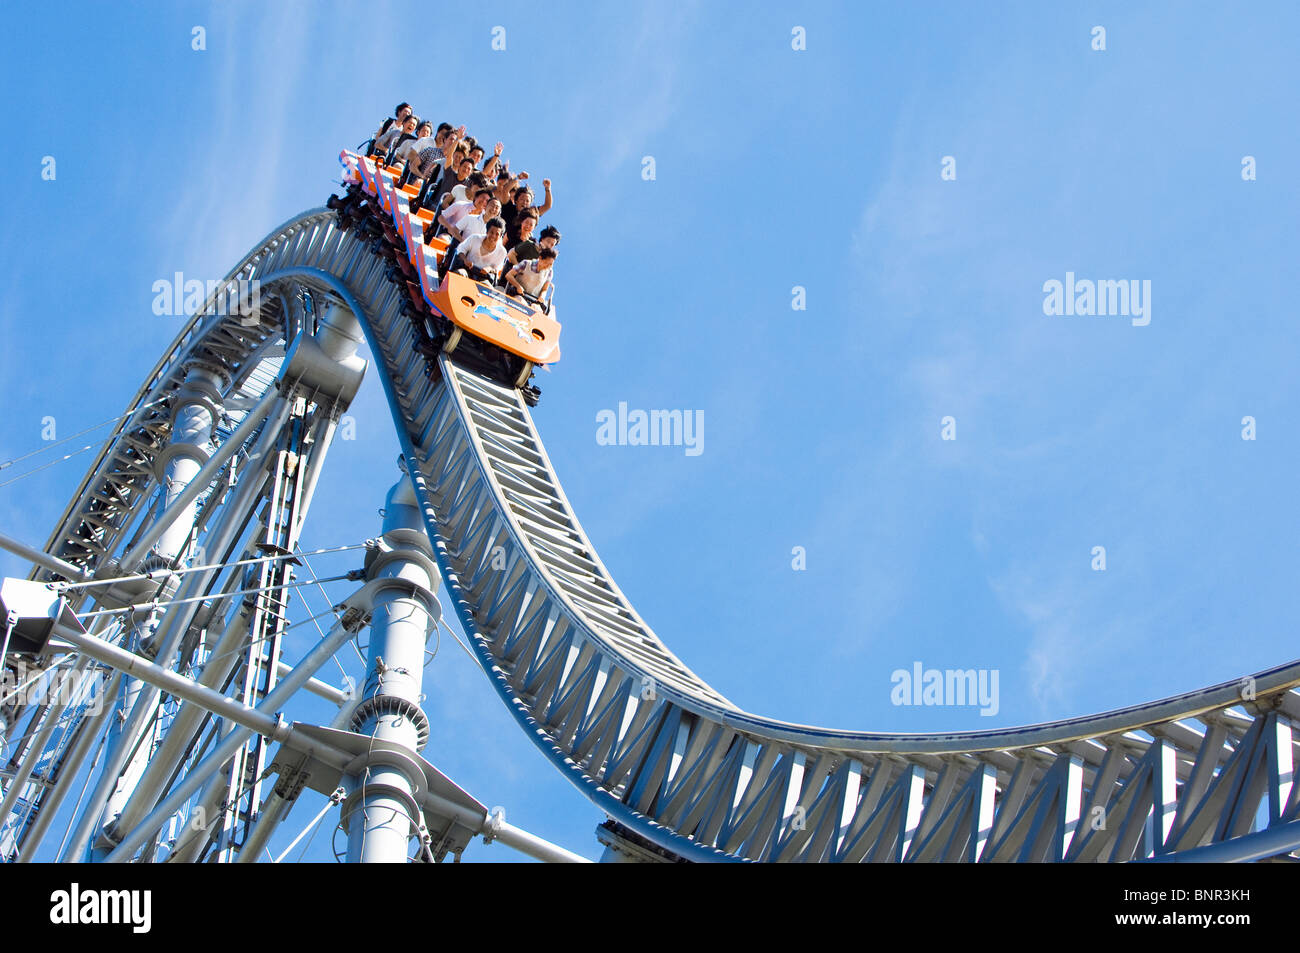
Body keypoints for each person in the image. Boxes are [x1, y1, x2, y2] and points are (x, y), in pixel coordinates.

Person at [456, 218, 509, 284]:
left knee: (487, 288)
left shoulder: (502, 252)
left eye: (497, 234)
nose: (493, 236)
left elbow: (497, 268)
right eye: (491, 232)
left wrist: (489, 269)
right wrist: (465, 260)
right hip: (467, 270)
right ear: (487, 232)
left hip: (483, 278)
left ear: (501, 236)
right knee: (459, 273)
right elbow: (460, 250)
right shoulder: (474, 238)